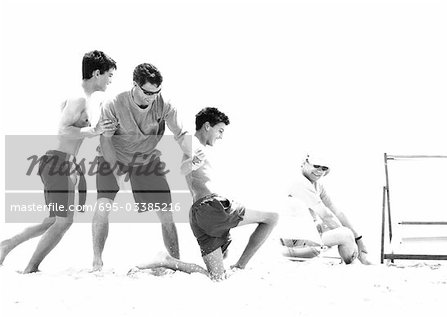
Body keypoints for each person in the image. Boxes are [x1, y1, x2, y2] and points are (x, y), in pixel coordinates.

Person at [0, 50, 117, 273]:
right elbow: (63, 130)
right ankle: (30, 268)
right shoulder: (79, 97)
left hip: (65, 162)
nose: (110, 81)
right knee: (64, 221)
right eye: (109, 75)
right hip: (58, 162)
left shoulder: (83, 99)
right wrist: (93, 129)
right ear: (96, 73)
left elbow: (70, 124)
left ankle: (6, 245)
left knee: (52, 220)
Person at [129, 107, 279, 280]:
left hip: (198, 215)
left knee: (217, 276)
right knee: (272, 218)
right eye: (220, 130)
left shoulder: (194, 145)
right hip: (212, 207)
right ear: (207, 126)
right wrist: (193, 162)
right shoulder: (192, 143)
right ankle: (240, 266)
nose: (221, 136)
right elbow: (183, 168)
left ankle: (168, 261)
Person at [91, 63, 195, 271]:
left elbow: (181, 135)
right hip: (114, 157)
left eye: (156, 92)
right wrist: (117, 173)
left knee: (166, 212)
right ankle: (97, 262)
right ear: (135, 85)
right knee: (103, 206)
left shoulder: (162, 103)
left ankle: (175, 261)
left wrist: (194, 154)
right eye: (147, 92)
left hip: (146, 159)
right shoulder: (114, 104)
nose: (152, 97)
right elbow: (105, 141)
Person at [281, 154, 372, 264]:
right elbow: (326, 215)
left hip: (306, 237)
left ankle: (357, 261)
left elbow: (336, 211)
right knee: (346, 234)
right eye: (316, 166)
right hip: (294, 243)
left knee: (343, 230)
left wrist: (359, 239)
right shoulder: (300, 183)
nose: (319, 171)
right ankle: (356, 264)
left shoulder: (317, 185)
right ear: (305, 162)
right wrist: (351, 240)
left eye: (324, 168)